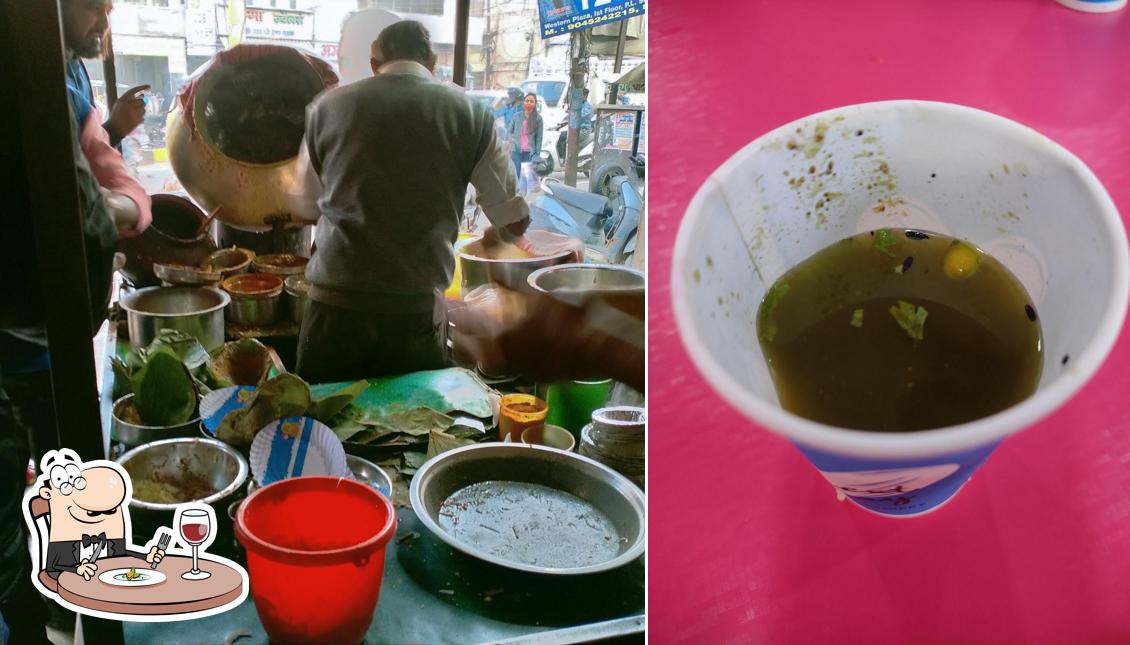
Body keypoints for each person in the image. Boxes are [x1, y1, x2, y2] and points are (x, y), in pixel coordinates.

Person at [288, 20, 531, 383]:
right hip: (413, 315)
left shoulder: (326, 107)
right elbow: (511, 220)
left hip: (334, 312)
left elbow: (303, 206)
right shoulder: (471, 114)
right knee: (409, 431)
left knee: (321, 428)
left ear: (374, 63)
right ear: (432, 63)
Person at [60, 0, 151, 238]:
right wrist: (119, 206)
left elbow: (85, 152)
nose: (104, 24)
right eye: (92, 8)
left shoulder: (74, 65)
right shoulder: (47, 82)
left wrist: (115, 129)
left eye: (108, 11)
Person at [506, 92, 543, 178]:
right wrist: (511, 139)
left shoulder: (538, 119)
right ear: (523, 102)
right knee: (516, 175)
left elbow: (539, 139)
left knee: (528, 176)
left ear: (535, 104)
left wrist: (536, 155)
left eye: (531, 101)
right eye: (527, 101)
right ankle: (517, 191)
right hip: (516, 151)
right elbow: (509, 131)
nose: (529, 103)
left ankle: (526, 192)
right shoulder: (517, 116)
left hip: (530, 153)